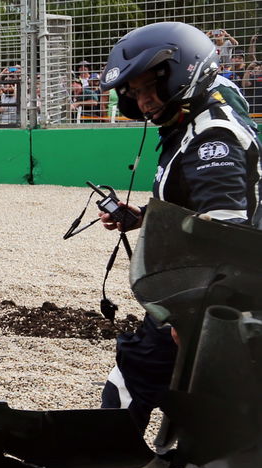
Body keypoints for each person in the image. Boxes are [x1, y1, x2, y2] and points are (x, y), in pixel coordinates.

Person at [97, 21, 262, 429]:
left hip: (211, 293)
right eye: (134, 93)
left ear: (184, 71)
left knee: (134, 378)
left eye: (152, 87)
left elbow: (227, 234)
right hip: (224, 289)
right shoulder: (211, 98)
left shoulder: (210, 138)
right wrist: (145, 219)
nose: (145, 102)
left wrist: (191, 317)